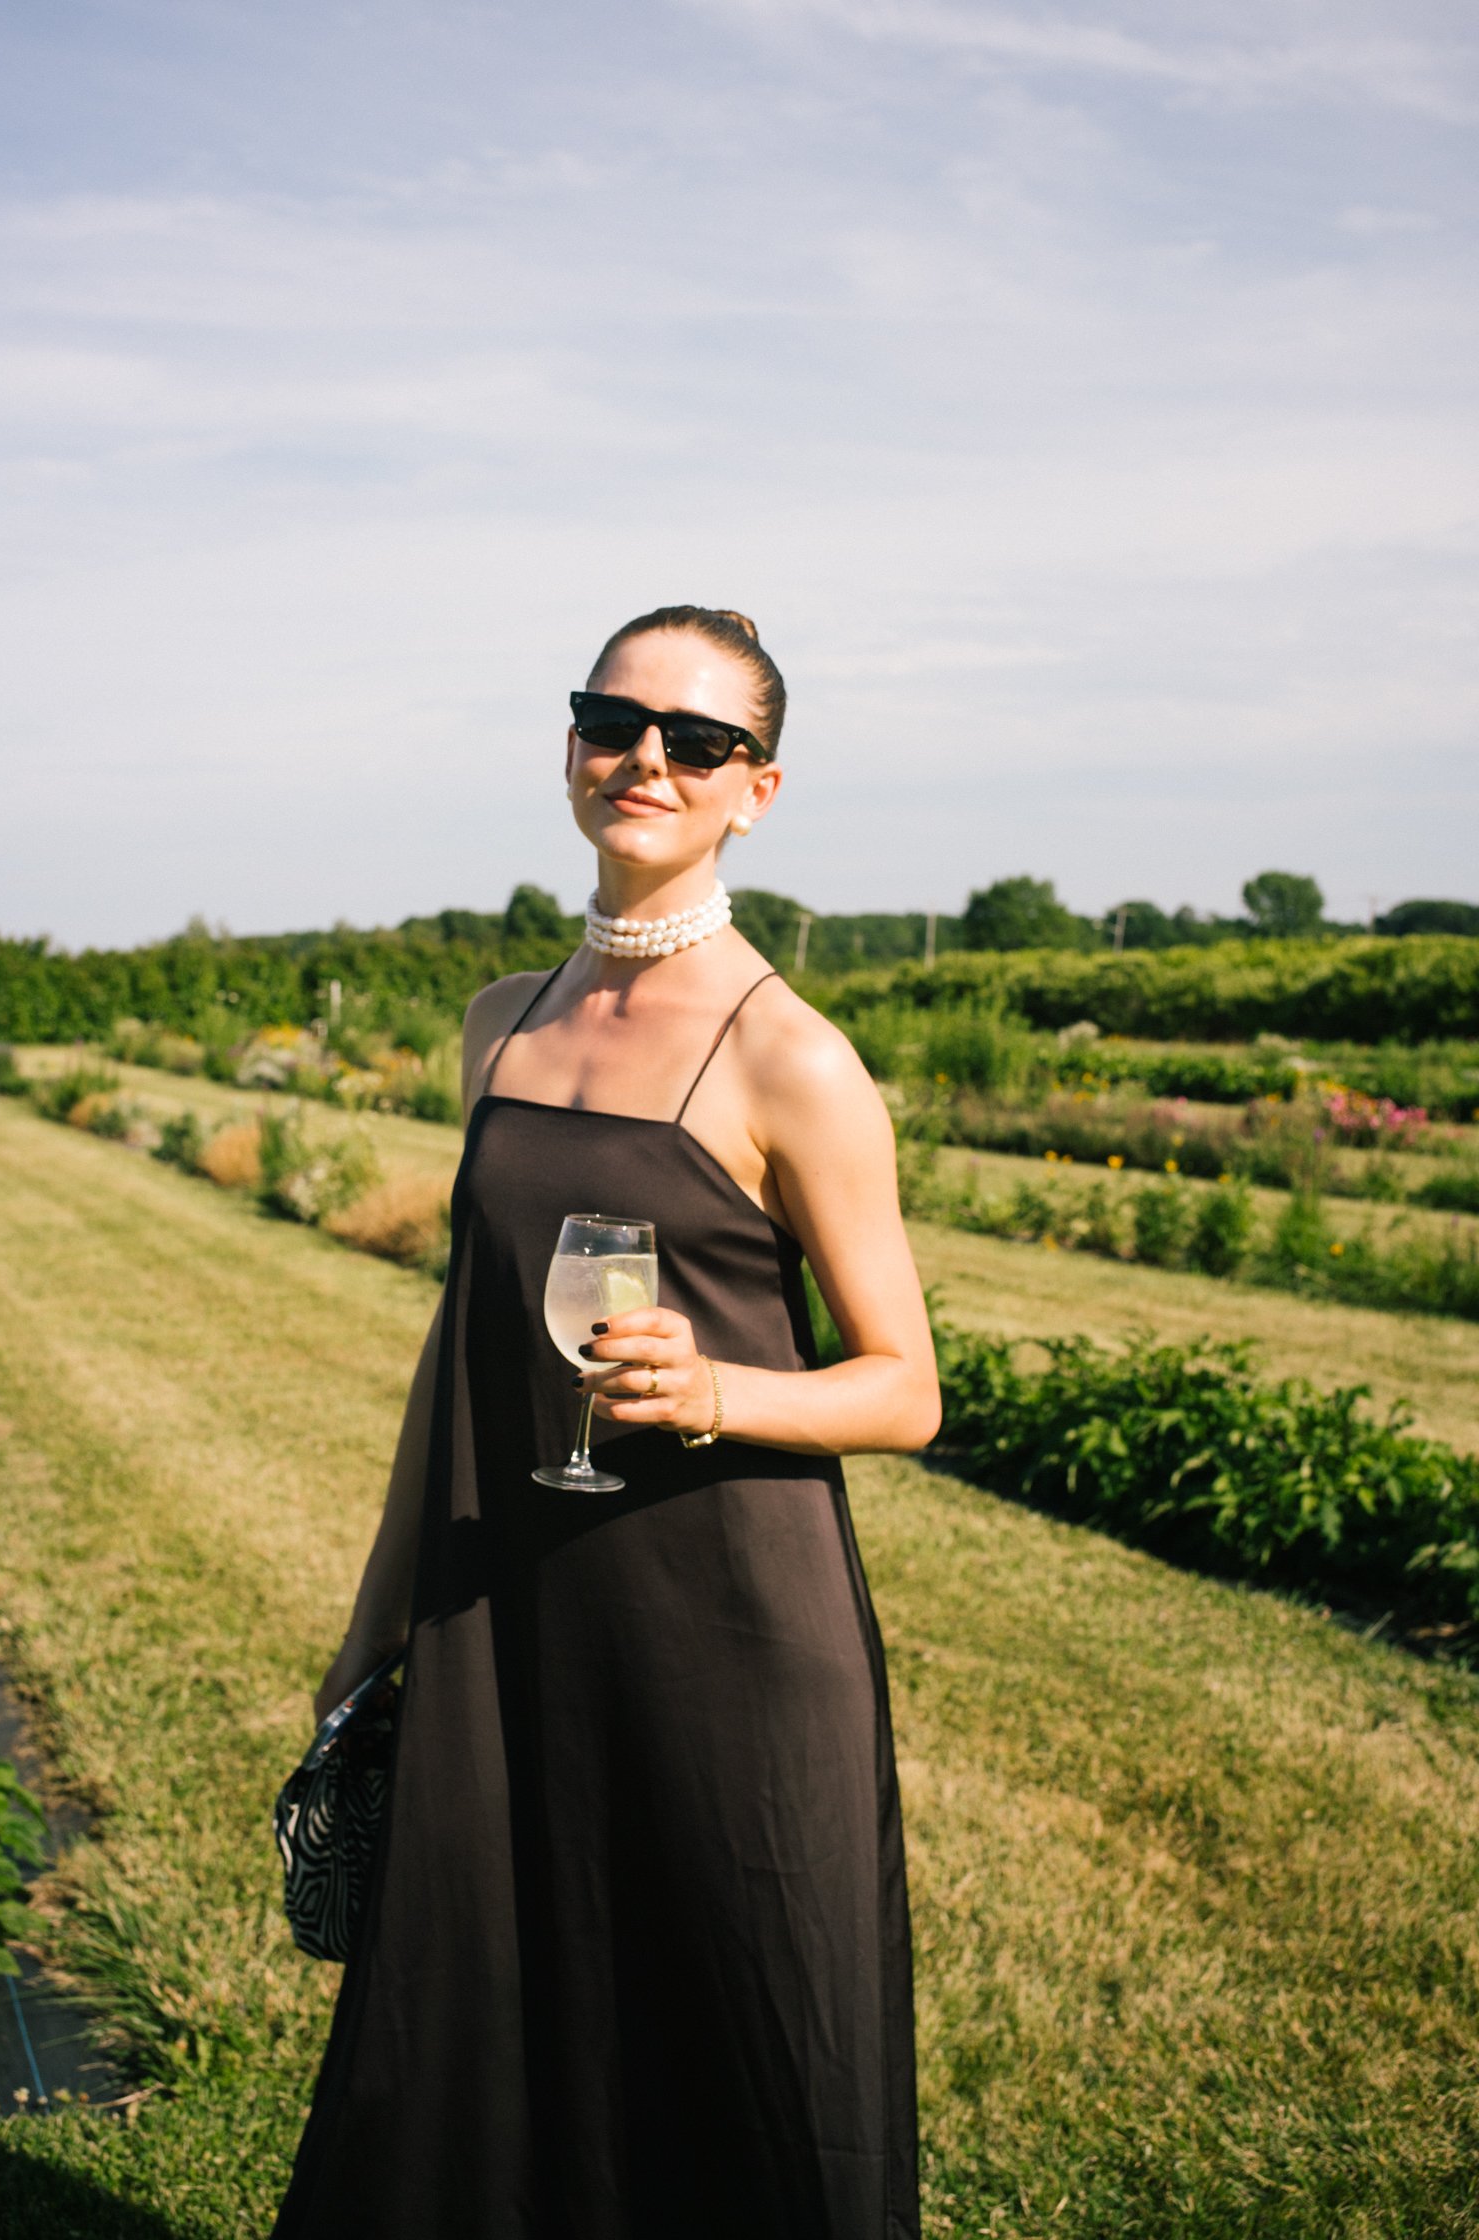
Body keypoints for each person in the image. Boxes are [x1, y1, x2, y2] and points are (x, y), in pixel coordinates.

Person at [271, 604, 942, 2240]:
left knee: (728, 2051)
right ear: (572, 743)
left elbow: (907, 1386)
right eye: (613, 720)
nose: (648, 759)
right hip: (508, 1613)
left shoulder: (793, 1057)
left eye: (699, 741)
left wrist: (719, 1391)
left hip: (725, 1633)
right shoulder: (500, 1019)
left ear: (755, 791)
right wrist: (379, 1621)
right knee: (482, 2031)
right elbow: (463, 1345)